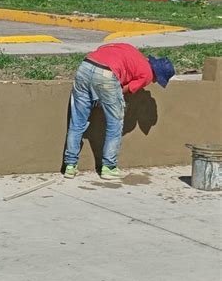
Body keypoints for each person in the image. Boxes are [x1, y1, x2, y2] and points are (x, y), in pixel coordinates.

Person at [63, 43, 175, 180]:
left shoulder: (130, 49)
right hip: (107, 75)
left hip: (85, 66)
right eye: (157, 80)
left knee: (77, 122)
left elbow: (102, 50)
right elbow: (124, 90)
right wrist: (105, 94)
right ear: (157, 74)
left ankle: (70, 166)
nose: (154, 81)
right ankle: (109, 167)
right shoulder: (147, 74)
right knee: (114, 124)